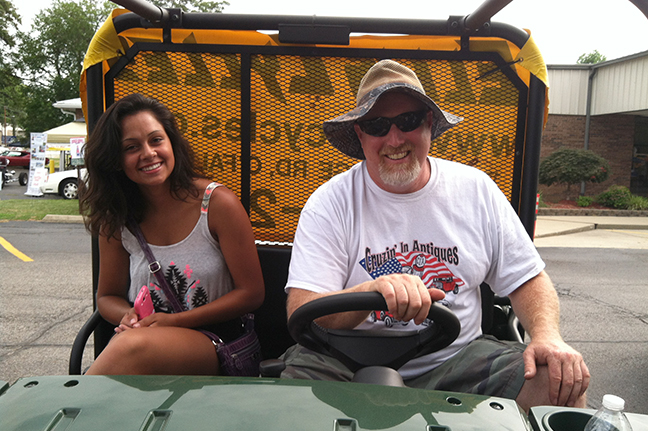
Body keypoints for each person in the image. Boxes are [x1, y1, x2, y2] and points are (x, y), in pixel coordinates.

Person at [280, 59, 589, 412]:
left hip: (456, 362)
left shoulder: (475, 190)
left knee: (560, 381)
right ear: (360, 135)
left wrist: (548, 335)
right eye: (377, 125)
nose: (394, 139)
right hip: (342, 363)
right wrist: (369, 291)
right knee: (291, 407)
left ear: (429, 124)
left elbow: (527, 278)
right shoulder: (329, 203)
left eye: (408, 121)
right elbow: (302, 310)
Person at [79, 94, 264, 375]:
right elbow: (107, 297)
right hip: (146, 339)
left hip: (220, 344)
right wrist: (126, 316)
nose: (148, 153)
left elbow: (251, 293)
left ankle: (67, 408)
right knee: (131, 346)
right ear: (116, 160)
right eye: (131, 147)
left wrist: (175, 322)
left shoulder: (217, 203)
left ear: (171, 143)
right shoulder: (117, 217)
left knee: (131, 348)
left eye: (156, 140)